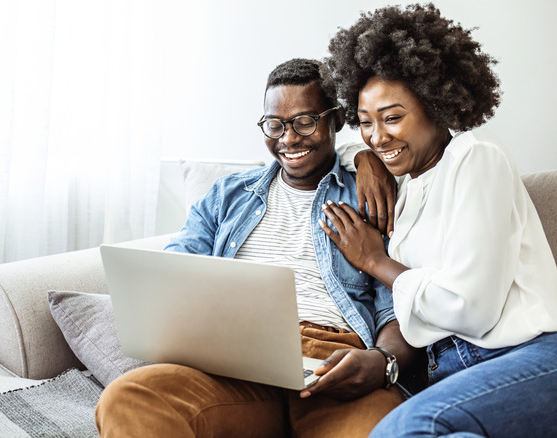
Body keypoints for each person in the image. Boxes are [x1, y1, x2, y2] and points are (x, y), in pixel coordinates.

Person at [95, 58, 420, 438]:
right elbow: (175, 273)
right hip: (234, 365)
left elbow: (402, 304)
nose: (288, 139)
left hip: (334, 362)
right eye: (274, 125)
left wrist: (381, 361)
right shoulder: (226, 196)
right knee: (128, 398)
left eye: (304, 121)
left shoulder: (371, 194)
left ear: (336, 119)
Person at [319, 4, 557, 437]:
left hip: (528, 355)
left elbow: (471, 309)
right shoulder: (407, 186)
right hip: (449, 370)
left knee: (405, 428)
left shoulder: (475, 157)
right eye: (365, 122)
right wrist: (364, 155)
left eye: (392, 118)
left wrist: (375, 261)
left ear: (436, 103)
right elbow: (341, 149)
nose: (378, 135)